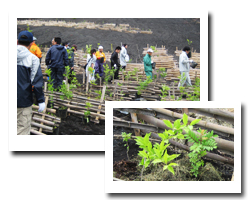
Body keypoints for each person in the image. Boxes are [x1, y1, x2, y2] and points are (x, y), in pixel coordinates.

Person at [17, 31, 45, 135]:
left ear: (17, 41)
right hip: (23, 101)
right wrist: (41, 100)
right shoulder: (33, 59)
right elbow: (36, 81)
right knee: (22, 130)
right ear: (31, 44)